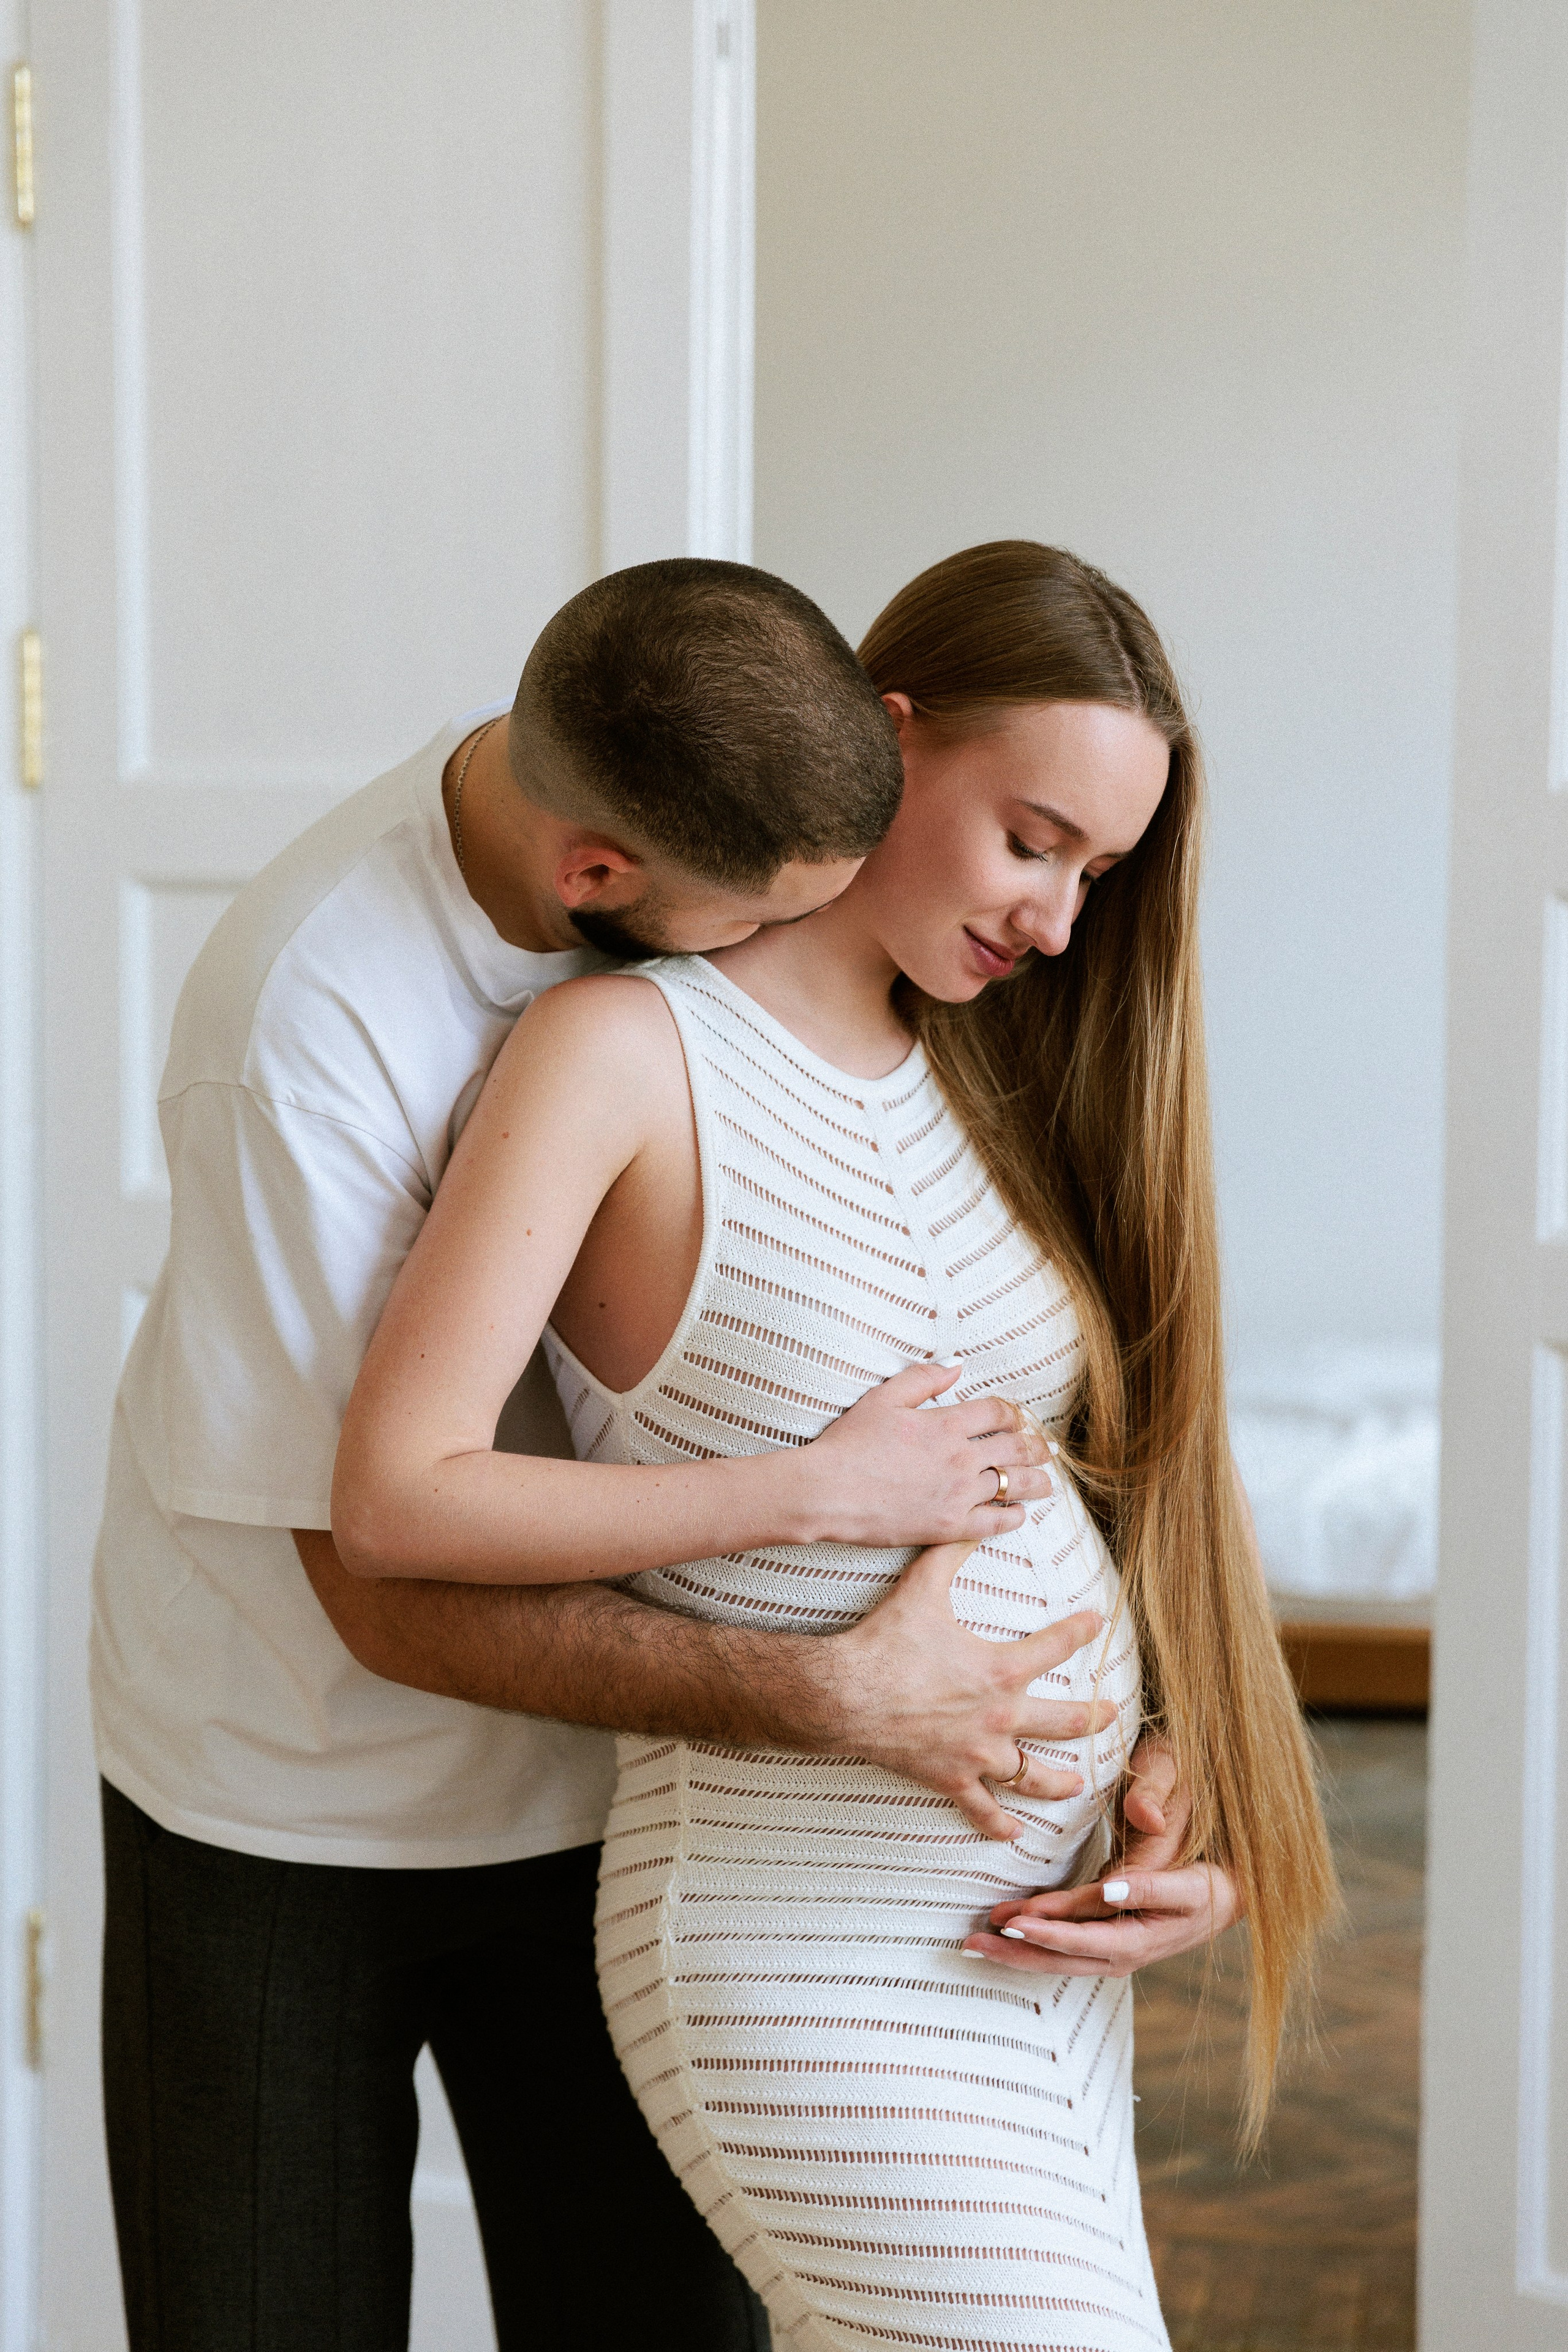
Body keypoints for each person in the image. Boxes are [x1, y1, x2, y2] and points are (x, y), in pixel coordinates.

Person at [336, 541, 1337, 2350]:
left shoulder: (994, 1067)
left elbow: (1114, 1471)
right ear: (892, 741)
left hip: (1034, 1970)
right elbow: (400, 1497)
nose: (1055, 919)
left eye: (1097, 874)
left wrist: (1176, 1769)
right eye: (1033, 840)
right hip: (803, 1955)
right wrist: (813, 1492)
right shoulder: (619, 1056)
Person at [94, 559, 1080, 2352]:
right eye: (749, 925)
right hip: (281, 1796)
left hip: (618, 1806)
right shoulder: (312, 1033)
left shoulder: (707, 831)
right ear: (599, 881)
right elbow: (383, 1582)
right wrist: (834, 1653)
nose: (778, 958)